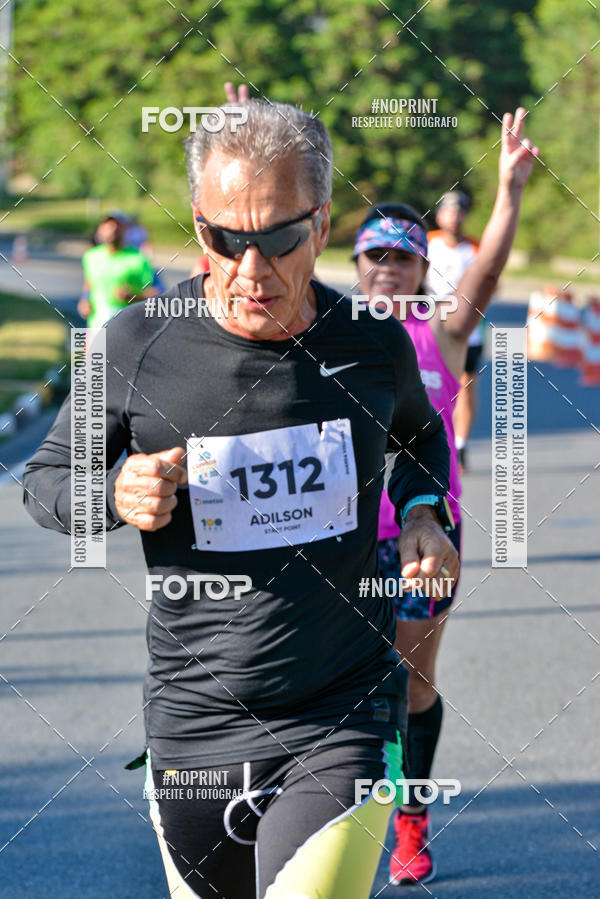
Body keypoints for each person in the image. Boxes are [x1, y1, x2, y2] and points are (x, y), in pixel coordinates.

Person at [23, 98, 459, 899]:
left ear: (321, 225)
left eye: (278, 238)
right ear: (198, 228)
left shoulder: (368, 341)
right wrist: (114, 493)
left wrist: (426, 511)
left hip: (343, 711)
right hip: (196, 727)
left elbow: (420, 436)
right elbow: (45, 482)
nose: (251, 270)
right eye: (226, 239)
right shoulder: (134, 342)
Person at [353, 108, 537, 885]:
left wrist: (508, 191)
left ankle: (410, 820)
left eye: (403, 256)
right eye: (376, 256)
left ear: (422, 267)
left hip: (427, 539)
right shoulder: (330, 329)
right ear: (357, 263)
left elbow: (490, 272)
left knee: (411, 681)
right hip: (342, 536)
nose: (389, 268)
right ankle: (334, 811)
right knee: (341, 678)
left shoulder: (443, 329)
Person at [425, 190, 481, 474]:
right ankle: (434, 441)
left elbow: (491, 283)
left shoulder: (474, 247)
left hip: (469, 330)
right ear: (439, 215)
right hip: (433, 326)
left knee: (466, 386)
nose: (453, 217)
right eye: (448, 211)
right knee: (434, 384)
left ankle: (460, 445)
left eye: (459, 212)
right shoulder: (428, 242)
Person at [77, 214, 159, 328]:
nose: (112, 230)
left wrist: (133, 297)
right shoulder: (91, 256)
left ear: (124, 231)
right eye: (107, 226)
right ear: (100, 231)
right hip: (96, 325)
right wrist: (84, 300)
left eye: (117, 227)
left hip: (128, 328)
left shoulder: (138, 259)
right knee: (81, 344)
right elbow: (89, 282)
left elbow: (156, 295)